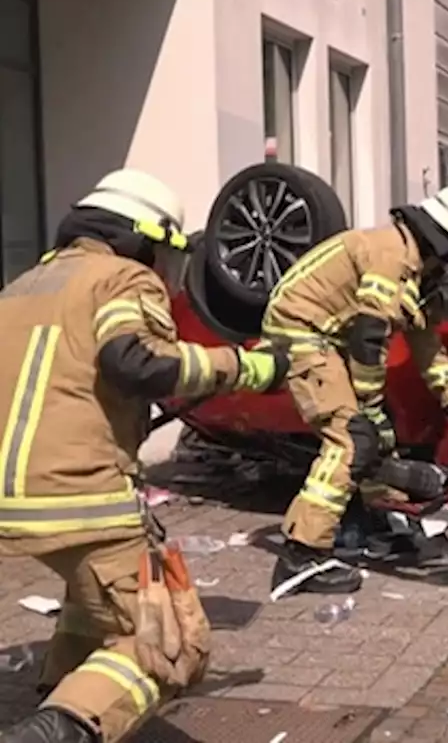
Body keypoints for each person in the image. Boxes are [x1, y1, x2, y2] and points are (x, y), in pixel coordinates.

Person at [0, 170, 286, 743]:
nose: (163, 267)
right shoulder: (121, 278)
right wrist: (248, 367)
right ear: (140, 238)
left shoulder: (22, 287)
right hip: (79, 497)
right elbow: (137, 362)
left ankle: (63, 696)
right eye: (162, 251)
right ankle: (57, 732)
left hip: (15, 499)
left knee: (94, 603)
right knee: (171, 643)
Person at [263, 185, 448, 595]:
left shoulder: (417, 266)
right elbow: (370, 337)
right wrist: (369, 407)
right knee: (351, 440)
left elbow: (427, 346)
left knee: (376, 438)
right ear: (441, 240)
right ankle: (301, 555)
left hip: (328, 336)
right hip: (301, 332)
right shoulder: (391, 257)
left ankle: (381, 525)